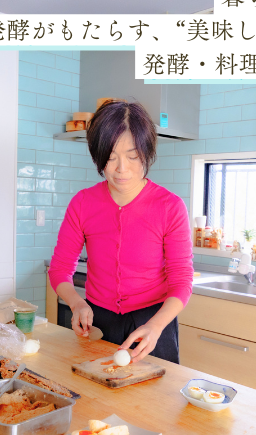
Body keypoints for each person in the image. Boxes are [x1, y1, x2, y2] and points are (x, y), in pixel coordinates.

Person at [48, 100, 193, 363]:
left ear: (146, 153)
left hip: (152, 324)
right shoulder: (83, 203)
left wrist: (156, 325)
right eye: (111, 157)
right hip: (98, 321)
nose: (121, 168)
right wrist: (77, 303)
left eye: (132, 156)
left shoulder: (170, 207)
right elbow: (59, 269)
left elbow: (181, 280)